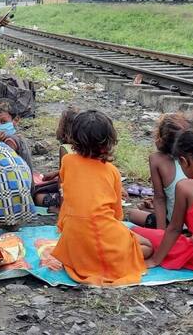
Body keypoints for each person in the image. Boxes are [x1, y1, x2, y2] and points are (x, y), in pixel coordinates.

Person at [51, 110, 147, 286]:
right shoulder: (112, 171)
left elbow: (69, 195)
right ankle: (116, 265)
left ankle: (89, 262)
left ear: (74, 139)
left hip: (74, 238)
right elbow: (117, 215)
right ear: (109, 142)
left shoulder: (67, 162)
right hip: (105, 232)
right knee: (147, 246)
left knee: (92, 247)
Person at [133, 128, 193, 272]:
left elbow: (175, 229)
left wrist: (155, 260)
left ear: (183, 161)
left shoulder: (185, 187)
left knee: (138, 232)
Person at [129, 113, 192, 229]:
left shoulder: (156, 159)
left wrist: (161, 233)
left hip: (172, 226)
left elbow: (160, 198)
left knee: (132, 214)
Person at [35, 106, 79, 211]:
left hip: (73, 197)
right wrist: (56, 172)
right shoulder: (88, 149)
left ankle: (61, 205)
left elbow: (63, 180)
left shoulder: (65, 149)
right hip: (88, 193)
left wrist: (62, 206)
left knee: (37, 197)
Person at [0, 100, 33, 171]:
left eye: (3, 122)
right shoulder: (18, 135)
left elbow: (1, 165)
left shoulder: (10, 140)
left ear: (15, 120)